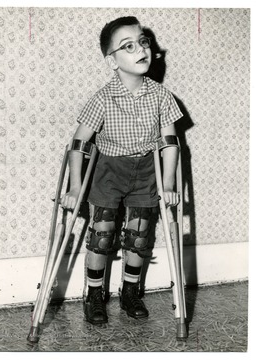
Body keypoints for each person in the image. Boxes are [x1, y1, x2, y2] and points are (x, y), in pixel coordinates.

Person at [61, 16, 183, 325]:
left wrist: (167, 183)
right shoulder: (102, 99)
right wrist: (75, 188)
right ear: (112, 61)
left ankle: (130, 292)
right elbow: (78, 144)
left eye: (143, 42)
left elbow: (170, 142)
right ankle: (94, 294)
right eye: (128, 46)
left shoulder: (161, 96)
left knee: (139, 236)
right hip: (109, 171)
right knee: (102, 235)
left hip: (146, 171)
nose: (141, 49)